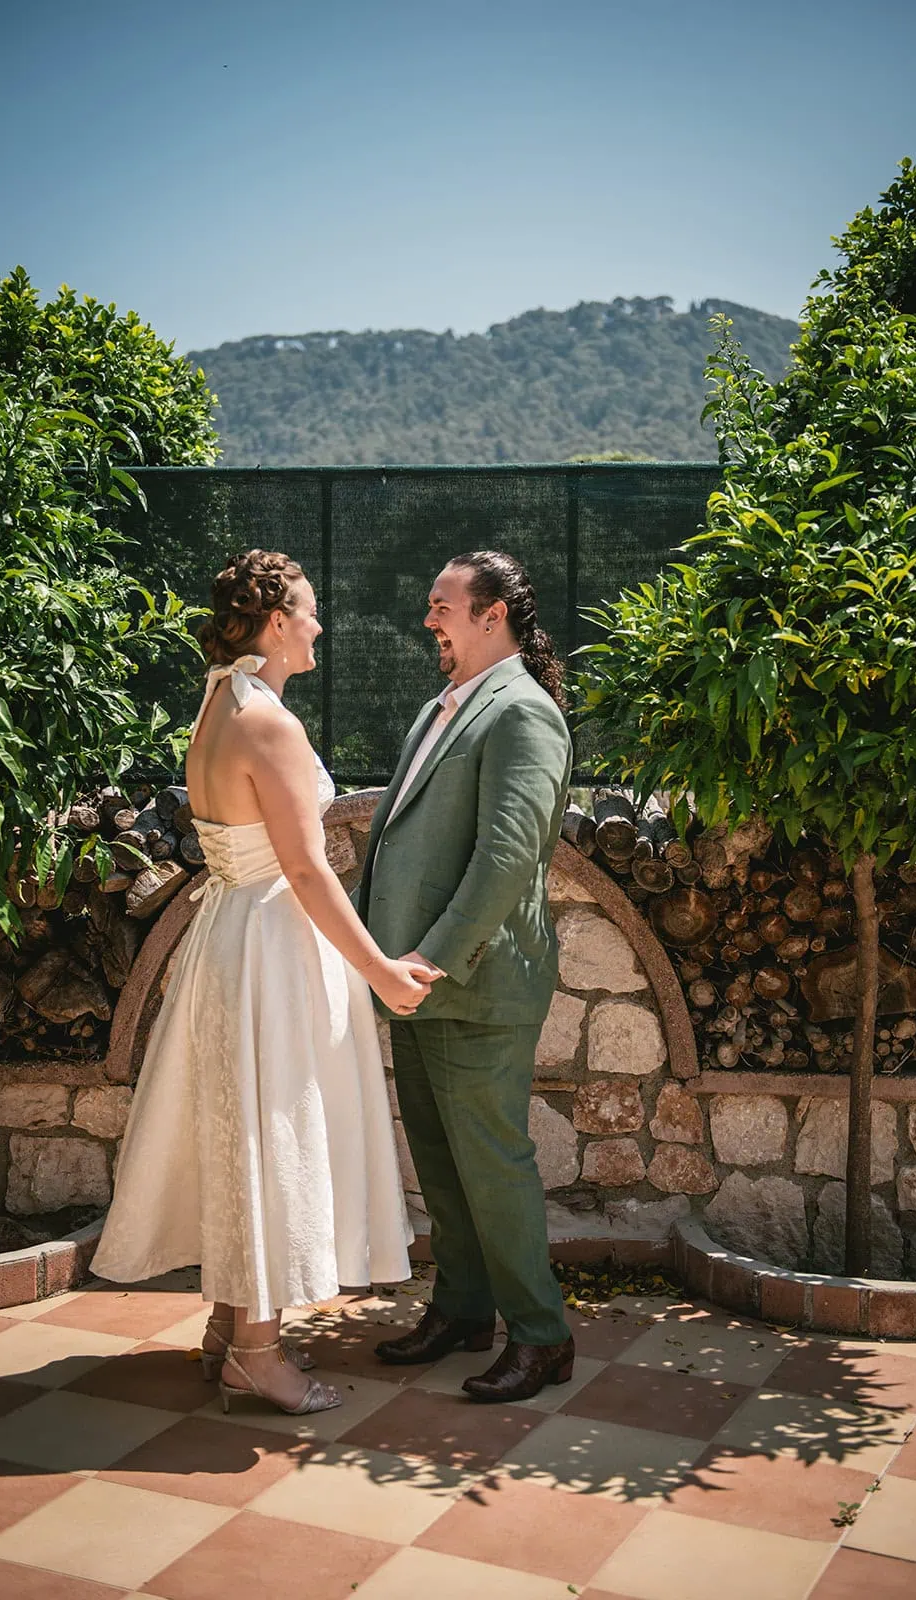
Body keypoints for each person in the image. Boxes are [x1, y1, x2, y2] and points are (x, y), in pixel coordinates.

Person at [92, 550, 429, 1416]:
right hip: (273, 945)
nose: (319, 625)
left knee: (240, 1127)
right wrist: (381, 971)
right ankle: (255, 1352)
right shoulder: (268, 722)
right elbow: (308, 871)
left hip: (230, 936)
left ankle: (228, 1327)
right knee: (272, 1135)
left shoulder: (219, 701)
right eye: (309, 611)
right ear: (276, 623)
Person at [356, 551, 574, 1403]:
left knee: (492, 1165)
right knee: (442, 1164)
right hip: (417, 981)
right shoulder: (440, 708)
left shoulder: (523, 712)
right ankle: (461, 1309)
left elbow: (506, 859)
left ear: (493, 615)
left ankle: (542, 1336)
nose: (428, 619)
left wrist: (433, 958)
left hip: (472, 984)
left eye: (441, 605)